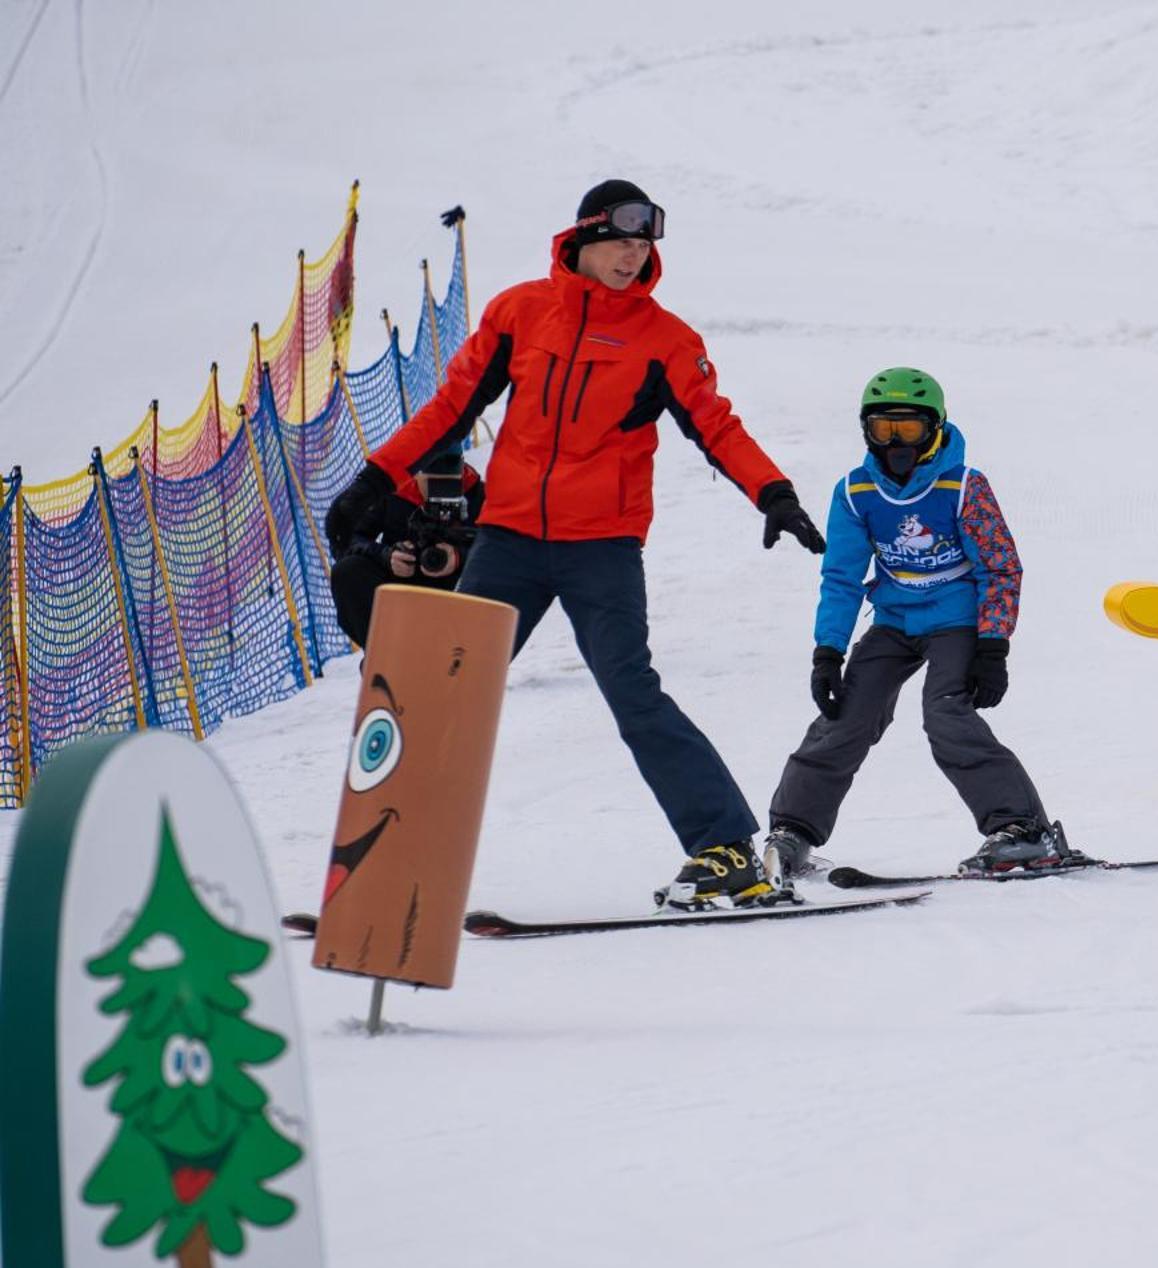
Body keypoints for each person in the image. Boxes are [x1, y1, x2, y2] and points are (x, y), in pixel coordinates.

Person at [339, 179, 826, 908]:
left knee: (633, 692)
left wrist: (773, 492)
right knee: (444, 684)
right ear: (585, 239)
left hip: (601, 549)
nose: (634, 257)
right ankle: (384, 857)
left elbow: (715, 426)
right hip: (505, 541)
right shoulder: (520, 313)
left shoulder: (665, 340)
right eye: (622, 242)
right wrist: (377, 478)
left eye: (644, 245)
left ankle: (724, 847)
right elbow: (452, 406)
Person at [762, 367, 1062, 879]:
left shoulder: (963, 486)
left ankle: (1021, 830)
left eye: (909, 429)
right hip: (896, 619)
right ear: (866, 432)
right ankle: (793, 831)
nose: (896, 442)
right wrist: (828, 652)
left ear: (936, 429)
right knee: (846, 715)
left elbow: (1000, 566)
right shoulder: (856, 492)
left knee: (946, 715)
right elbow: (841, 577)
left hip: (959, 620)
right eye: (884, 430)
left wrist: (993, 646)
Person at [324, 449, 481, 645]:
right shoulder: (393, 492)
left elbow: (500, 550)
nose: (441, 493)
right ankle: (381, 652)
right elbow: (345, 537)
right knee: (347, 571)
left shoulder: (477, 495)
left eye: (449, 484)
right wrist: (385, 555)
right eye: (434, 484)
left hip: (456, 596)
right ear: (417, 474)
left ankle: (468, 651)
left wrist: (459, 557)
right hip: (401, 589)